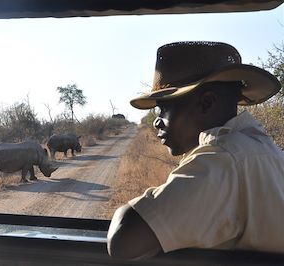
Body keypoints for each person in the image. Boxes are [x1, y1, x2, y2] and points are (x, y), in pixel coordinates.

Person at [107, 41, 284, 259]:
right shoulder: (264, 149)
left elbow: (123, 242)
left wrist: (122, 211)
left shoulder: (220, 159)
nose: (157, 122)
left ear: (206, 103)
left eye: (164, 108)